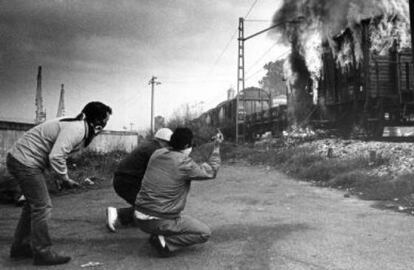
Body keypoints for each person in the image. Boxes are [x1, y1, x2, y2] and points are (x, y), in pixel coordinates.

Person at [6, 101, 112, 266]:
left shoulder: (79, 125)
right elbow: (56, 156)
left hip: (22, 159)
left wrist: (59, 176)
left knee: (32, 206)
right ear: (96, 121)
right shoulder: (77, 129)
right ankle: (43, 253)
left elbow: (52, 152)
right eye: (104, 121)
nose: (104, 126)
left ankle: (20, 247)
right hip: (25, 162)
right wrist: (64, 178)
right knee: (42, 206)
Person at [134, 127, 223, 257]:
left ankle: (159, 233)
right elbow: (210, 171)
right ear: (187, 145)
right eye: (191, 144)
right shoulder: (184, 163)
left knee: (164, 216)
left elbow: (180, 156)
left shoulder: (157, 154)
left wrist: (210, 144)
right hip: (159, 220)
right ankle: (165, 243)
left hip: (138, 216)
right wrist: (216, 148)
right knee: (203, 233)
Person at [106, 128, 173, 232]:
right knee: (152, 205)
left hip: (124, 180)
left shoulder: (149, 145)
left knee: (150, 204)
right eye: (168, 144)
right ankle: (117, 213)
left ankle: (130, 219)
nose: (169, 147)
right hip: (127, 183)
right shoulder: (154, 150)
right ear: (163, 141)